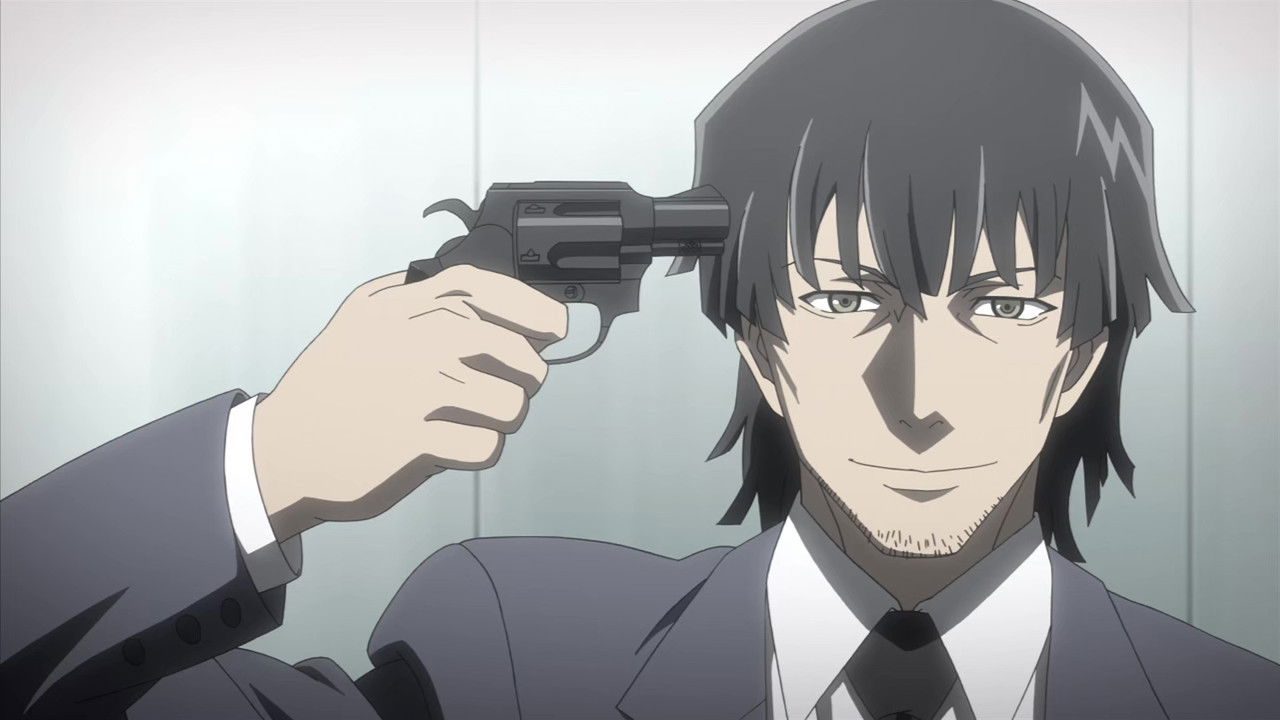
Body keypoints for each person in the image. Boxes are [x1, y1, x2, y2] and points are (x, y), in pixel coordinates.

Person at [2, 1, 1277, 718]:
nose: (919, 398)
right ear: (755, 337)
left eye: (995, 307)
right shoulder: (505, 653)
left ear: (1081, 353)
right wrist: (266, 466)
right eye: (846, 299)